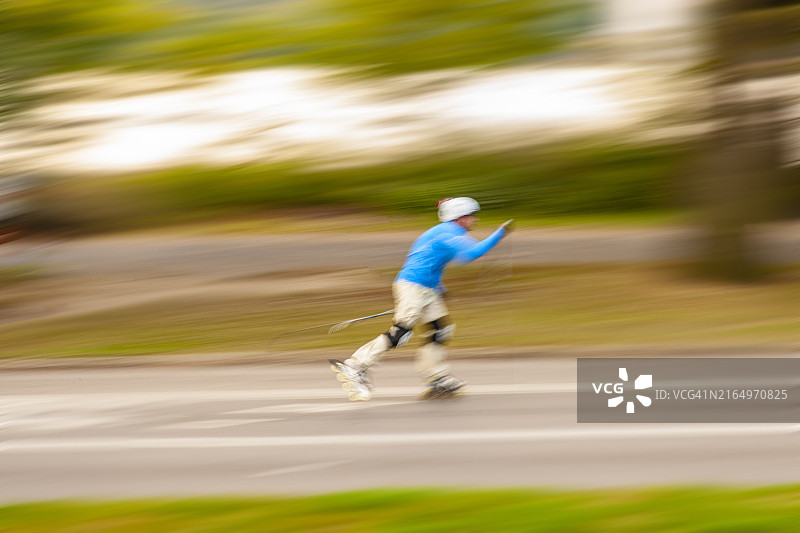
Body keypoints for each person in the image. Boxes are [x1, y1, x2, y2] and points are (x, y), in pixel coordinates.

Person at [330, 197, 513, 400]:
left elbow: (428, 260)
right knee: (401, 333)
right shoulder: (447, 232)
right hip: (413, 286)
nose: (475, 219)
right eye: (471, 215)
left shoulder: (446, 232)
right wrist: (500, 233)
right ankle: (355, 366)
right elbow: (470, 255)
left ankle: (436, 378)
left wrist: (439, 288)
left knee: (440, 330)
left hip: (426, 288)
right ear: (460, 217)